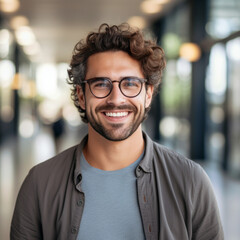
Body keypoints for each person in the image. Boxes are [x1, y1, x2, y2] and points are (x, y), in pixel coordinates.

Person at [11, 23, 224, 240]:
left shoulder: (190, 181)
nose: (116, 99)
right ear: (82, 96)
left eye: (130, 83)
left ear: (148, 94)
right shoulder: (40, 183)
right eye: (101, 84)